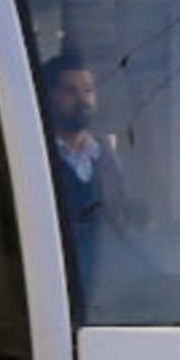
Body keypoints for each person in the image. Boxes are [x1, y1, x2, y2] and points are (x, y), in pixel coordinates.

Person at [40, 52, 127, 299]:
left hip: (104, 288)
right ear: (51, 96)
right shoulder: (39, 155)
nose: (83, 100)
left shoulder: (107, 159)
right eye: (71, 91)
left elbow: (119, 222)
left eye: (88, 90)